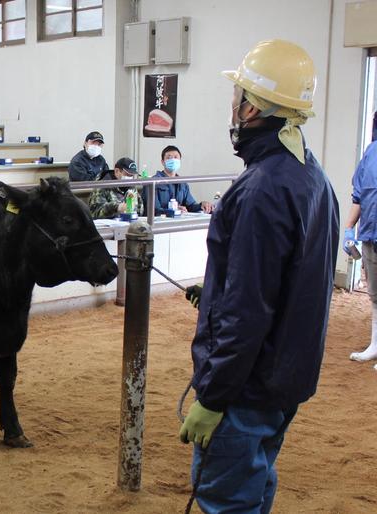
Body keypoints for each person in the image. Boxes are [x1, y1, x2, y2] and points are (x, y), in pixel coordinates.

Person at [179, 39, 339, 513]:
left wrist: (214, 395)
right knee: (256, 488)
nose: (233, 108)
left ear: (253, 106)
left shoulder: (260, 190)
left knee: (226, 502)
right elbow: (286, 281)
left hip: (243, 390)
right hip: (283, 382)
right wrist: (217, 293)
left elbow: (249, 312)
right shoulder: (312, 175)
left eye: (238, 98)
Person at [345, 142, 377, 367]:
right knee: (375, 296)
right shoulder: (372, 151)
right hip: (370, 235)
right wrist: (349, 228)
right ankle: (375, 345)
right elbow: (359, 197)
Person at [142, 145, 213, 215]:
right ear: (163, 162)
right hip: (159, 224)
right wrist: (174, 211)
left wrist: (201, 205)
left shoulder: (183, 183)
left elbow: (190, 206)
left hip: (178, 222)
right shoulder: (152, 183)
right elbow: (154, 210)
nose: (173, 160)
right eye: (169, 158)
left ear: (179, 161)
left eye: (176, 157)